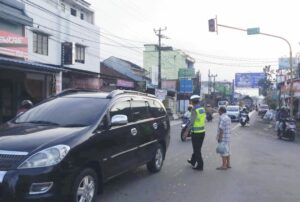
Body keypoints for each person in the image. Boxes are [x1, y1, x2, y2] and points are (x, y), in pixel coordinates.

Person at [187, 95, 206, 171]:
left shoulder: (194, 109)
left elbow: (192, 122)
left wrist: (186, 131)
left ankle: (200, 165)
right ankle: (193, 160)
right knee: (198, 148)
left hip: (196, 133)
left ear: (192, 102)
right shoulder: (202, 109)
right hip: (202, 132)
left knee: (197, 149)